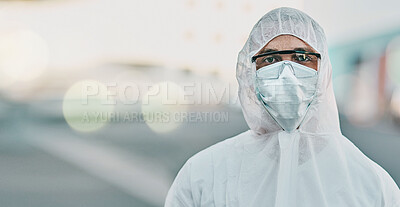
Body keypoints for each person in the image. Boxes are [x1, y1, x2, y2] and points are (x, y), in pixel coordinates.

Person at [164, 7, 400, 207]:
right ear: (249, 74)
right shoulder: (203, 177)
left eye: (301, 57)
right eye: (270, 59)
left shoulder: (372, 187)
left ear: (324, 70)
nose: (287, 74)